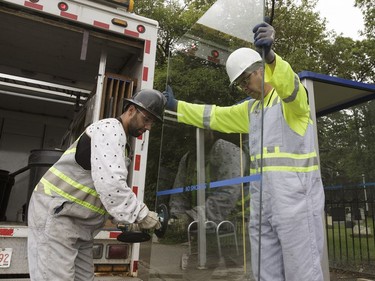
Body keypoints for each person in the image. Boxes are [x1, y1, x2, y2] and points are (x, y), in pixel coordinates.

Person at [163, 22, 325, 281]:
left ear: (261, 71)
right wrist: (176, 107)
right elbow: (213, 115)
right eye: (239, 85)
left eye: (245, 80)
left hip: (295, 202)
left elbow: (290, 85)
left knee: (302, 273)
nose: (244, 88)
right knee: (264, 273)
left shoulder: (292, 103)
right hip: (263, 204)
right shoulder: (252, 110)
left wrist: (272, 57)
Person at [27, 89, 166, 281]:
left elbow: (100, 189)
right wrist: (142, 215)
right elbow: (112, 185)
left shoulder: (122, 143)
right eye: (147, 119)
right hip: (57, 215)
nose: (149, 127)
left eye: (152, 123)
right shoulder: (109, 130)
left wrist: (121, 218)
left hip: (78, 223)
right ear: (132, 110)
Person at [169, 128, 248, 224]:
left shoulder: (229, 153)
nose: (191, 135)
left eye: (197, 130)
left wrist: (191, 218)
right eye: (190, 130)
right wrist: (178, 218)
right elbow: (179, 195)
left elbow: (228, 194)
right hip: (202, 227)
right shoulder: (188, 159)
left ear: (210, 130)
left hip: (237, 226)